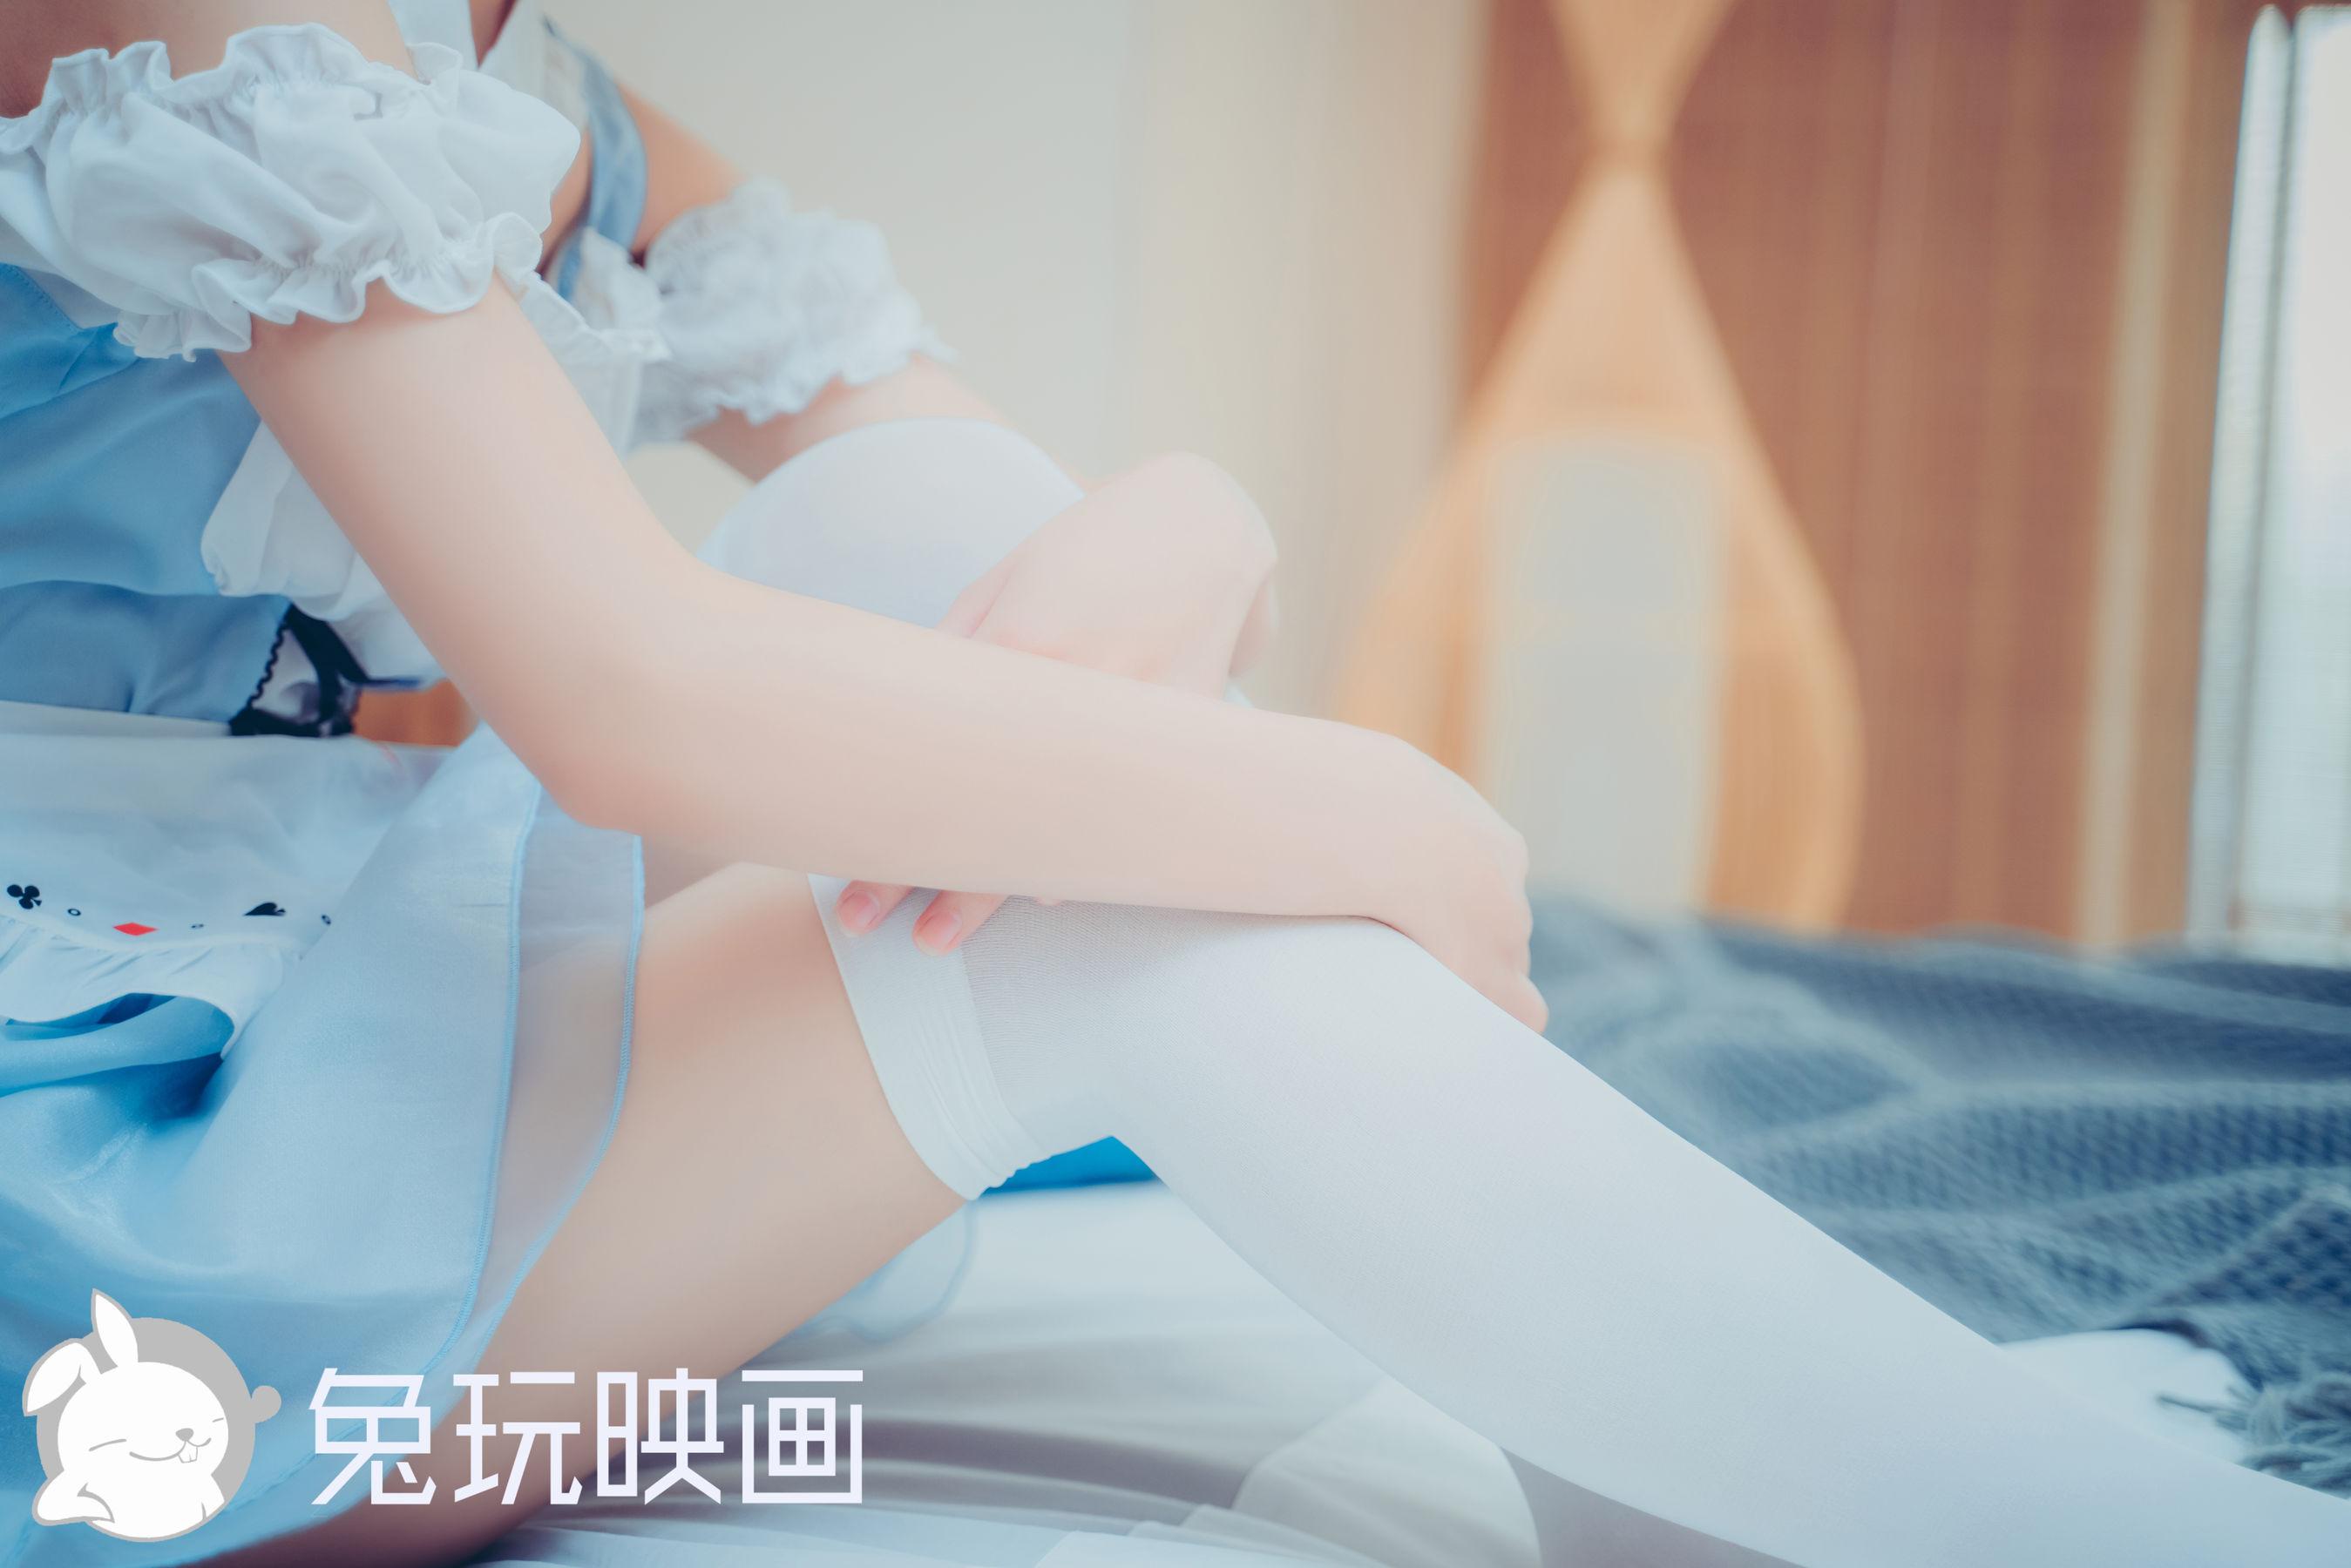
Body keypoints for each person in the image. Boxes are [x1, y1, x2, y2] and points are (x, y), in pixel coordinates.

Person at [0, 3, 2341, 1565]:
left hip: (294, 963)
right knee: (1112, 906)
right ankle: (1981, 1521)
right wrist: (1358, 814)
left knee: (943, 553)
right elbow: (627, 692)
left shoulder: (538, 85)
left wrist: (1199, 507)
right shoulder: (206, 22)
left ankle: (1699, 1487)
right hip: (100, 1201)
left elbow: (968, 512)